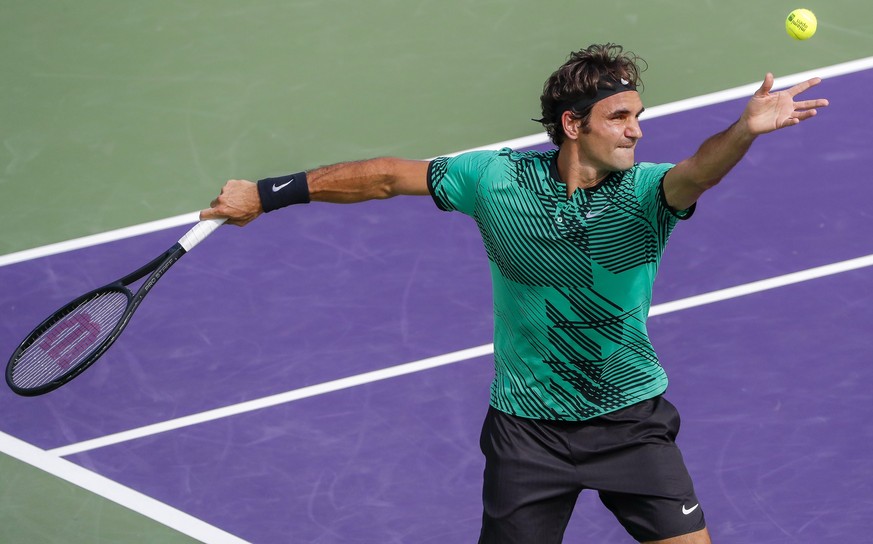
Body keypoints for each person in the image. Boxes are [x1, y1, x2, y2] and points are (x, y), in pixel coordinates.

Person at [200, 44, 828, 543]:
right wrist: (265, 193)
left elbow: (699, 169)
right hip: (527, 433)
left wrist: (743, 131)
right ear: (572, 124)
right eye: (620, 117)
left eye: (638, 116)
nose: (637, 132)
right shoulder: (496, 180)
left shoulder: (649, 195)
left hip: (629, 423)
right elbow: (389, 178)